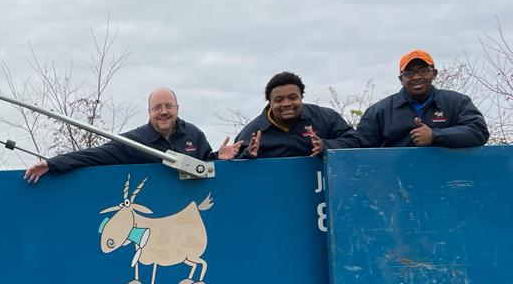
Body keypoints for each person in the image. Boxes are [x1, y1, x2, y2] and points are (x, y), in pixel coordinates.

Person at [24, 87, 239, 183]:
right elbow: (93, 155)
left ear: (177, 108)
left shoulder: (194, 134)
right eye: (157, 108)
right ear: (149, 112)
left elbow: (205, 166)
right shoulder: (135, 141)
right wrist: (51, 164)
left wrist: (217, 158)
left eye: (168, 106)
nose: (163, 112)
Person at [348, 49, 489, 148]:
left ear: (434, 74)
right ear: (401, 79)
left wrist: (435, 135)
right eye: (409, 73)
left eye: (423, 70)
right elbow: (360, 148)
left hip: (448, 182)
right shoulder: (379, 111)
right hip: (395, 185)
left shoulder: (457, 102)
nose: (416, 77)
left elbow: (479, 132)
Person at [236, 71, 356, 158]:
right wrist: (248, 155)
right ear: (270, 103)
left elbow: (355, 141)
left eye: (293, 98)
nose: (286, 103)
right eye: (279, 100)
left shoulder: (325, 118)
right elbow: (232, 164)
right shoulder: (253, 132)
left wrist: (325, 145)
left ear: (301, 97)